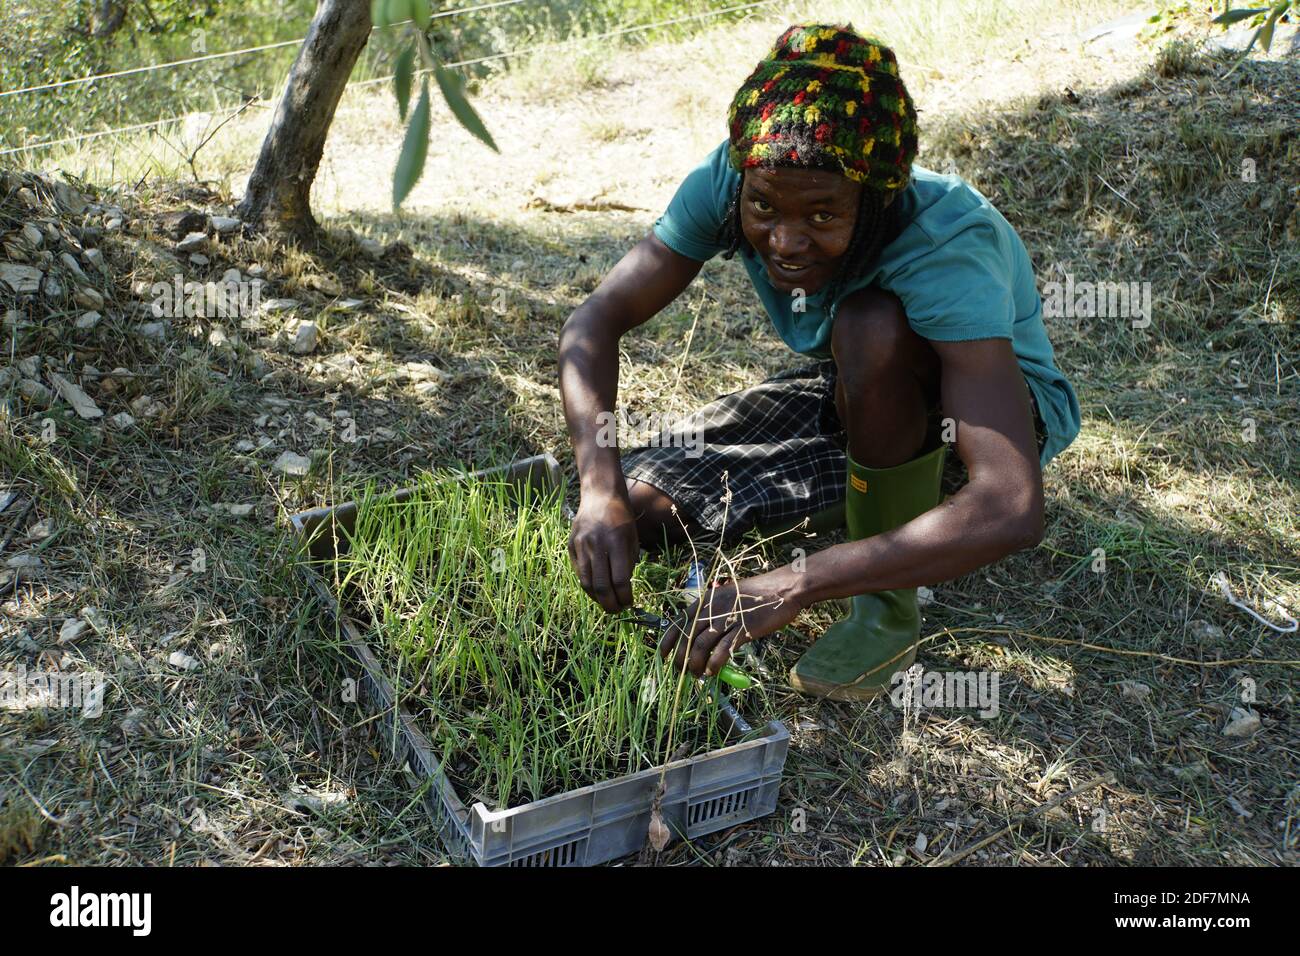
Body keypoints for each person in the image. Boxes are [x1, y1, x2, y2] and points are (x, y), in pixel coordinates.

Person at [558, 23, 1080, 700]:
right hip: (855, 385)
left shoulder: (947, 245)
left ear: (875, 199)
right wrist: (599, 491)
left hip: (981, 415)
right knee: (643, 510)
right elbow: (594, 322)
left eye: (822, 216)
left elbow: (1010, 505)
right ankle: (867, 465)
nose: (785, 240)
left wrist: (798, 580)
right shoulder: (740, 172)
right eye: (764, 208)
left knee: (871, 322)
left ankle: (887, 611)